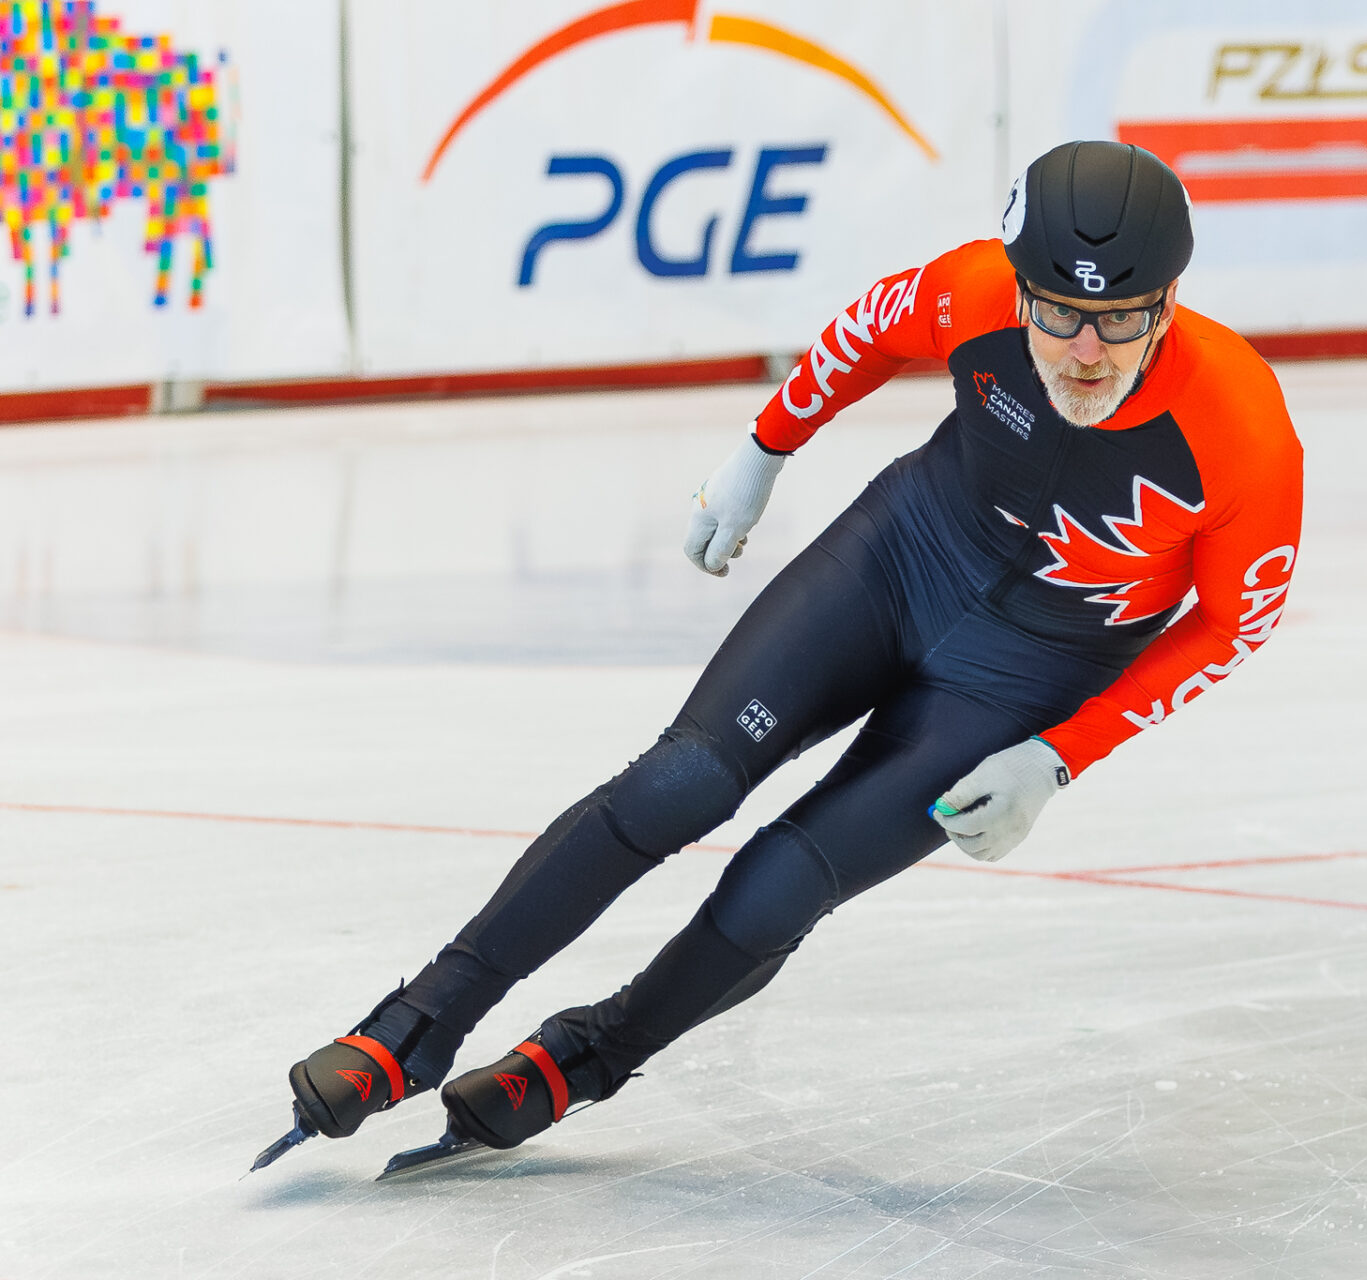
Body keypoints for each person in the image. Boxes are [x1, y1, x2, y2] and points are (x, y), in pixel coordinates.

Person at [258, 140, 1303, 1167]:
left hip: (1025, 670)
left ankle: (589, 1055)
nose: (1086, 350)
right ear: (1020, 284)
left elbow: (1234, 622)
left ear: (1170, 301)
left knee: (779, 886)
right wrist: (765, 449)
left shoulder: (1244, 430)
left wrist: (1061, 754)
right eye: (1059, 313)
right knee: (679, 782)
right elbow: (868, 332)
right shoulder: (973, 290)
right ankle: (419, 1021)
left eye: (1121, 318)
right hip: (902, 558)